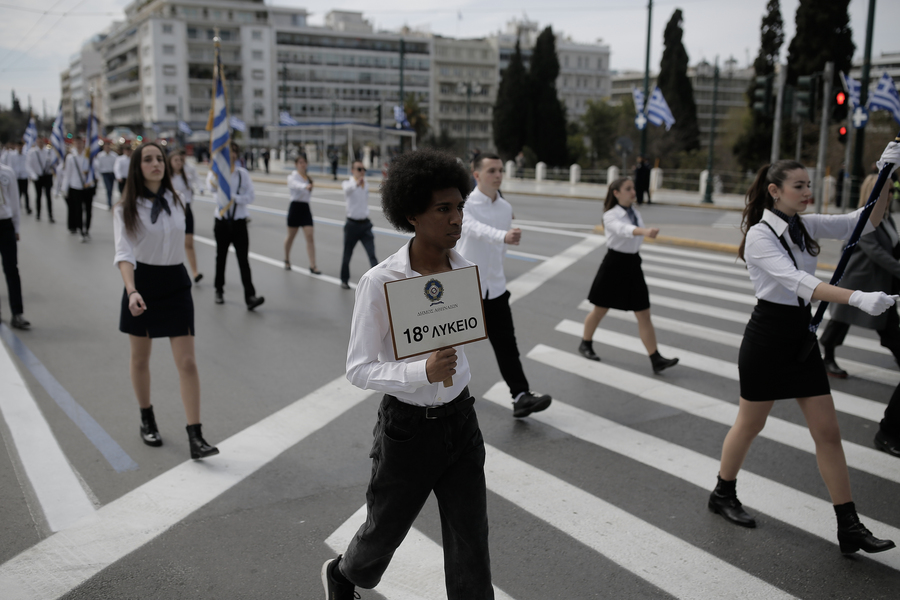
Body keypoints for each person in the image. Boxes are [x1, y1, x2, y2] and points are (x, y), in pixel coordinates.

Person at [708, 152, 900, 556]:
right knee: (749, 424)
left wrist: (887, 173)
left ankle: (848, 525)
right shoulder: (761, 236)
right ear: (775, 191)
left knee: (828, 433)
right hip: (767, 340)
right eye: (800, 186)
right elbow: (800, 283)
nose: (808, 193)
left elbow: (866, 220)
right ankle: (723, 493)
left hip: (801, 336)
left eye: (809, 185)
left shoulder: (804, 225)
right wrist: (858, 298)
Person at [322, 148, 493, 600]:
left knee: (471, 542)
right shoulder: (381, 281)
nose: (456, 218)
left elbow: (459, 342)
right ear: (412, 215)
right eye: (443, 209)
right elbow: (358, 369)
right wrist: (423, 370)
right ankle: (343, 574)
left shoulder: (465, 271)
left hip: (462, 420)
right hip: (409, 430)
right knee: (383, 535)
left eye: (459, 206)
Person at [113, 141, 218, 460]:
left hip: (175, 281)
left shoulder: (177, 198)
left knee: (187, 362)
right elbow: (124, 253)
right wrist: (132, 290)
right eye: (148, 159)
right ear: (137, 167)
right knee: (141, 359)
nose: (156, 163)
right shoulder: (125, 208)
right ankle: (147, 417)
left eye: (159, 158)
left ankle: (195, 435)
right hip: (142, 283)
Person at [455, 152, 552, 418]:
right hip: (466, 288)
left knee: (507, 345)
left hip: (495, 289)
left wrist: (504, 243)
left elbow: (499, 252)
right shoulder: (466, 204)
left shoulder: (505, 208)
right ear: (476, 175)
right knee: (450, 345)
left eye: (500, 170)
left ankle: (521, 396)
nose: (498, 175)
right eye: (491, 171)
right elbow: (473, 229)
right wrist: (504, 235)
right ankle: (439, 395)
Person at [578, 177, 679, 373]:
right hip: (614, 265)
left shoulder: (634, 213)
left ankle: (655, 358)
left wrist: (643, 231)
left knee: (644, 313)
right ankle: (585, 343)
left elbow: (632, 232)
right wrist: (645, 231)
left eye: (633, 188)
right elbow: (623, 230)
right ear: (616, 193)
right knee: (600, 310)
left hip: (632, 265)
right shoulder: (610, 215)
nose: (633, 192)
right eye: (628, 189)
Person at [820, 174, 900, 378]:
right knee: (840, 322)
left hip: (878, 280)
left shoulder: (886, 216)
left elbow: (892, 247)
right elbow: (876, 252)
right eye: (886, 191)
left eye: (892, 190)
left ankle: (825, 357)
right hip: (858, 280)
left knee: (888, 325)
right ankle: (825, 358)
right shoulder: (864, 218)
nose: (890, 195)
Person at [206, 143, 264, 310]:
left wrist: (234, 198)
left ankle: (250, 296)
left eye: (233, 152)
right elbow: (211, 188)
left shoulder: (242, 174)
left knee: (243, 259)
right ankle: (218, 290)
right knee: (221, 257)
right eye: (227, 152)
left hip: (239, 222)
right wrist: (216, 172)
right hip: (222, 222)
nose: (231, 155)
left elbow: (250, 196)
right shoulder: (215, 173)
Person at [0, 161, 30, 329]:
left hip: (5, 224)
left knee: (11, 269)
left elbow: (14, 202)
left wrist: (16, 227)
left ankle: (17, 313)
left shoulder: (7, 172)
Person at [339, 160, 378, 289]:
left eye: (363, 169)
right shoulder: (348, 183)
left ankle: (379, 281)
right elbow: (347, 190)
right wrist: (357, 183)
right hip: (352, 225)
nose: (362, 172)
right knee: (347, 253)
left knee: (372, 254)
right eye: (359, 169)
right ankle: (344, 279)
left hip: (365, 224)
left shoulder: (365, 184)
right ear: (353, 170)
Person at [168, 149, 203, 284]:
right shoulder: (167, 178)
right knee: (172, 243)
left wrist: (200, 188)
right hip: (172, 212)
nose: (179, 163)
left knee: (189, 243)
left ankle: (195, 272)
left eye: (181, 160)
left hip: (186, 211)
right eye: (176, 160)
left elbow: (197, 180)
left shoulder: (186, 175)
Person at [283, 153, 320, 274]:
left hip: (305, 208)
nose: (303, 165)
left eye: (304, 162)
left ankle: (313, 265)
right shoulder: (293, 177)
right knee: (291, 236)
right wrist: (305, 186)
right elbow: (295, 185)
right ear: (296, 165)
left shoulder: (308, 178)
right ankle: (287, 259)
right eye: (300, 162)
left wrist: (307, 185)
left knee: (310, 236)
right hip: (295, 207)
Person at [60, 137, 96, 241]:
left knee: (88, 209)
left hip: (88, 186)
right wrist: (64, 188)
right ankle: (80, 229)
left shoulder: (88, 155)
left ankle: (87, 229)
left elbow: (95, 169)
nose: (79, 145)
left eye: (80, 143)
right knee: (78, 209)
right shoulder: (71, 157)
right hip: (76, 186)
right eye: (77, 143)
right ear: (74, 144)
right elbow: (67, 174)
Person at [26, 139, 55, 222]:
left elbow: (54, 162)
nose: (41, 144)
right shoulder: (32, 152)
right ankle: (38, 214)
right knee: (38, 196)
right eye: (39, 142)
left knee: (48, 196)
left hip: (47, 176)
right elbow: (28, 165)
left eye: (42, 142)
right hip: (38, 177)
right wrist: (33, 175)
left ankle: (50, 215)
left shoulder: (49, 151)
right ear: (37, 143)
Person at [6, 142, 31, 216]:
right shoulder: (12, 155)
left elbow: (27, 165)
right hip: (16, 177)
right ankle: (17, 206)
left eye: (21, 146)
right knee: (17, 193)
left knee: (25, 192)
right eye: (19, 146)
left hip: (24, 176)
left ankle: (27, 207)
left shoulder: (25, 155)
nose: (20, 148)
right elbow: (10, 165)